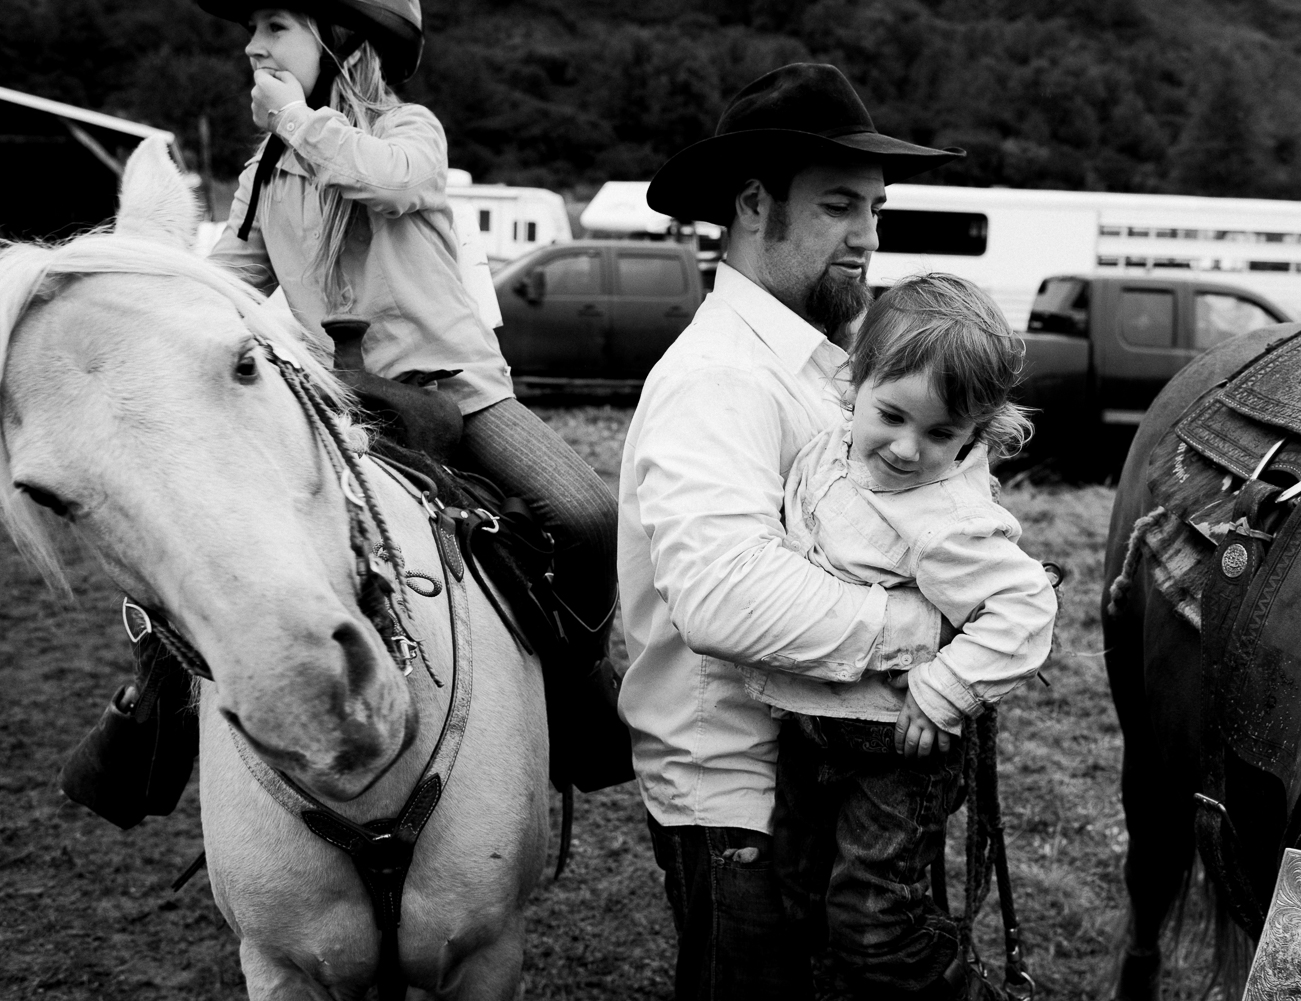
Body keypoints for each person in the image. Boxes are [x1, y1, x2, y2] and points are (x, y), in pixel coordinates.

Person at [617, 63, 966, 1000]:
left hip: (807, 778)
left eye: (875, 210)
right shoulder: (722, 376)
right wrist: (938, 629)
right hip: (740, 796)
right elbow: (725, 596)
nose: (866, 239)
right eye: (838, 207)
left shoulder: (818, 365)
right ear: (751, 205)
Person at [198, 0, 617, 676]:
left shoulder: (411, 129)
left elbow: (386, 182)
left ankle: (581, 682)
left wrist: (295, 122)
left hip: (459, 395)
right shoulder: (263, 176)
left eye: (275, 28)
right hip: (340, 408)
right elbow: (216, 286)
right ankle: (148, 727)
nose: (252, 47)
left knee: (590, 516)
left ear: (341, 42)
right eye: (251, 28)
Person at [745, 272, 1058, 1000]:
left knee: (876, 921)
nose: (909, 449)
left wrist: (942, 689)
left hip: (893, 749)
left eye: (942, 433)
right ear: (857, 381)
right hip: (812, 726)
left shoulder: (946, 518)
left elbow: (1024, 607)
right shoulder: (832, 449)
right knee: (796, 889)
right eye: (892, 415)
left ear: (975, 431)